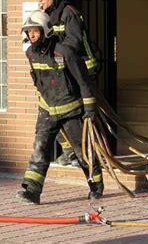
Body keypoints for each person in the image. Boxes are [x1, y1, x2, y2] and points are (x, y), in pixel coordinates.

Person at [16, 10, 103, 205]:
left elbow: (83, 82)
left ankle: (96, 186)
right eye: (29, 32)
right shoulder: (31, 54)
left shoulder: (64, 53)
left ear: (46, 30)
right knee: (40, 150)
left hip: (70, 109)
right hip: (47, 110)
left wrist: (89, 109)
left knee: (82, 152)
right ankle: (31, 190)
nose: (32, 35)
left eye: (35, 31)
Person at [33, 0, 98, 167]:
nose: (40, 1)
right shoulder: (49, 17)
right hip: (64, 71)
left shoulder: (69, 13)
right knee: (54, 111)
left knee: (74, 114)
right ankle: (71, 152)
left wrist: (54, 52)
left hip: (82, 69)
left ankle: (84, 155)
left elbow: (74, 43)